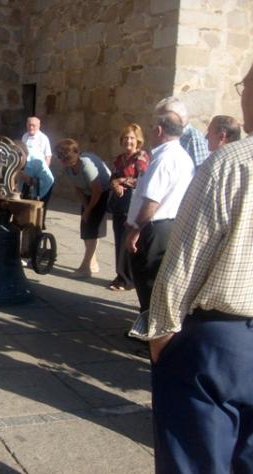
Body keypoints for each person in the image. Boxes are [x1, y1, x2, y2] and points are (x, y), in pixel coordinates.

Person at [129, 64, 253, 473]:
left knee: (196, 460)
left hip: (222, 343)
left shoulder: (231, 163)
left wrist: (161, 333)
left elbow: (184, 260)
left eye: (244, 87)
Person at [124, 108, 195, 314]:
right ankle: (153, 322)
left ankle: (149, 325)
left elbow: (152, 201)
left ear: (159, 130)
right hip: (170, 224)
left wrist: (135, 230)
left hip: (154, 227)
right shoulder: (183, 157)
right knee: (155, 280)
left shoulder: (163, 159)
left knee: (147, 279)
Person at [55, 138, 110, 278]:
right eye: (60, 157)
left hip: (103, 192)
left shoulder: (86, 164)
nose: (62, 160)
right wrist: (86, 208)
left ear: (74, 154)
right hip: (88, 193)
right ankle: (93, 263)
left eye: (65, 157)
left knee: (92, 231)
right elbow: (78, 188)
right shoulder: (68, 168)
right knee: (85, 229)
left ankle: (85, 268)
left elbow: (97, 190)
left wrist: (89, 210)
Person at [107, 124, 150, 291]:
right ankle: (120, 275)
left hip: (133, 204)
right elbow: (112, 178)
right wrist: (115, 184)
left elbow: (143, 180)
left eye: (132, 138)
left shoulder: (141, 157)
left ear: (138, 140)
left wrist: (121, 181)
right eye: (125, 138)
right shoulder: (119, 159)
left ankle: (128, 279)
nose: (128, 141)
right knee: (119, 240)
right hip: (120, 204)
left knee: (129, 240)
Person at [155, 96, 209, 168]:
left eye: (164, 119)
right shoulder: (170, 134)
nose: (160, 123)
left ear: (177, 117)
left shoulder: (194, 137)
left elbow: (201, 168)